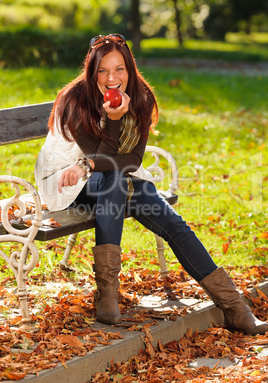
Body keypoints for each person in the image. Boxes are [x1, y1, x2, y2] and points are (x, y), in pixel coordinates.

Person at [35, 33, 268, 335]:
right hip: (67, 186)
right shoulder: (75, 99)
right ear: (92, 72)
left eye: (119, 69)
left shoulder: (141, 97)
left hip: (109, 178)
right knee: (117, 180)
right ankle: (110, 294)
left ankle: (234, 307)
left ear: (130, 70)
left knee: (161, 213)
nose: (111, 78)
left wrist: (90, 161)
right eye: (103, 70)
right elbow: (101, 155)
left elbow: (130, 162)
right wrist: (111, 121)